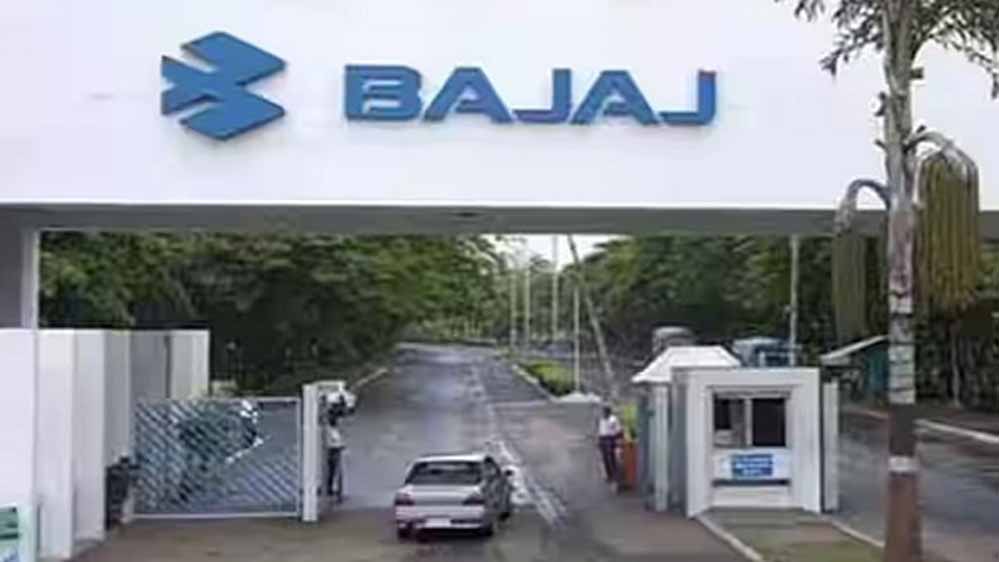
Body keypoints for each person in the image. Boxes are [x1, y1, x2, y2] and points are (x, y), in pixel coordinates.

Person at [597, 405, 623, 487]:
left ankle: (614, 475)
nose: (604, 414)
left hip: (610, 438)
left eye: (605, 412)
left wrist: (617, 439)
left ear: (609, 412)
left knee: (611, 457)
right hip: (603, 438)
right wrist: (599, 440)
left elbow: (619, 430)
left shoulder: (613, 420)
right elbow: (600, 430)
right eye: (603, 412)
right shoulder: (601, 420)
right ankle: (609, 475)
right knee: (604, 457)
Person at [325, 410, 345, 499]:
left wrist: (341, 445)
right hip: (333, 452)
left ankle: (335, 490)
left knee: (334, 472)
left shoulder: (334, 430)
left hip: (336, 451)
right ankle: (333, 490)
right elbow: (331, 442)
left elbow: (337, 441)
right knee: (334, 472)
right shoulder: (329, 430)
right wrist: (339, 446)